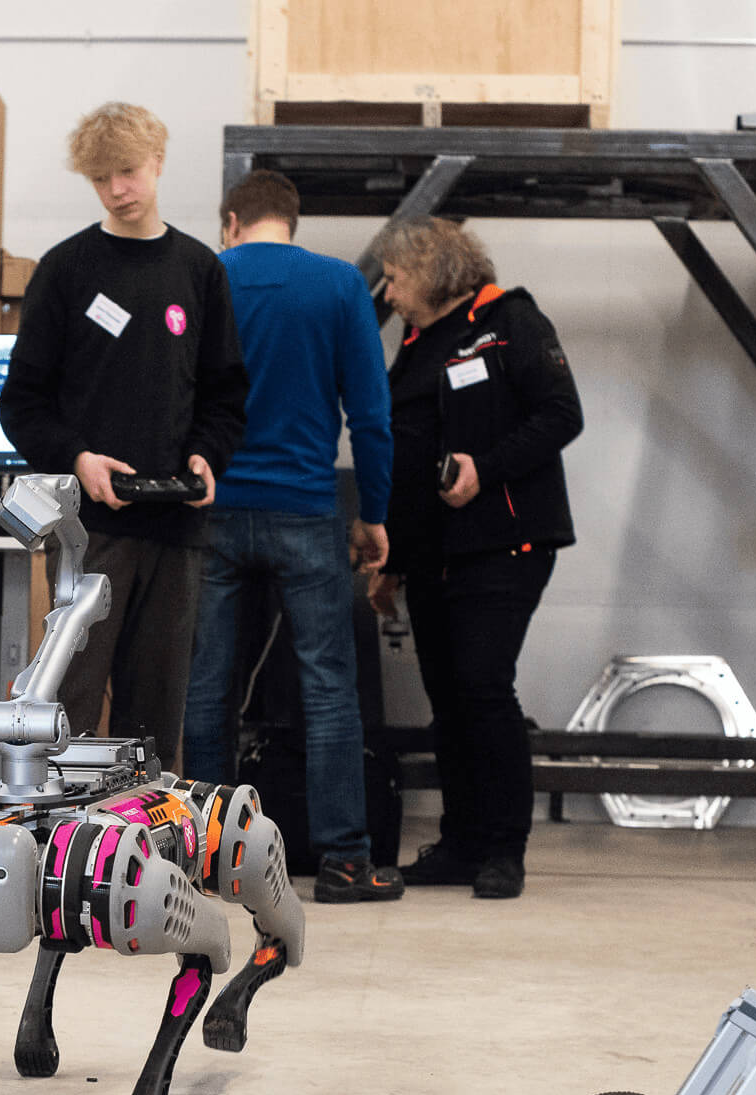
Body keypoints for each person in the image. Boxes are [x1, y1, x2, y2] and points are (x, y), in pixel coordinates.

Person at [0, 102, 249, 767]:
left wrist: (206, 455)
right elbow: (21, 402)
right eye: (102, 178)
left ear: (159, 163)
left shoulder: (199, 270)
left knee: (158, 709)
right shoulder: (66, 270)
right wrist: (77, 458)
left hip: (175, 528)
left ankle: (148, 854)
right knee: (71, 702)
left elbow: (227, 394)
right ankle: (66, 853)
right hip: (90, 532)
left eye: (129, 172)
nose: (118, 190)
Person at [179, 170, 401, 904]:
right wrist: (373, 514)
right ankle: (344, 860)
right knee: (328, 688)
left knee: (208, 686)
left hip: (210, 509)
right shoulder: (339, 286)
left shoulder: (202, 275)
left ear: (232, 219)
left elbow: (171, 397)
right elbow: (371, 414)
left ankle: (206, 861)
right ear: (292, 220)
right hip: (307, 509)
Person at [366, 218, 582, 900]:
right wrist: (392, 560)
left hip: (504, 545)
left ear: (430, 270)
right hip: (431, 553)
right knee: (450, 701)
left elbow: (561, 414)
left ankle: (503, 847)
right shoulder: (419, 340)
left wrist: (484, 471)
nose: (388, 291)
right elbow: (407, 452)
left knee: (484, 687)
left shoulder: (510, 319)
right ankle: (460, 842)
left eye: (395, 277)